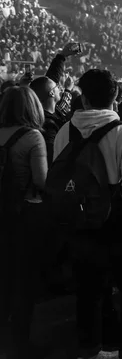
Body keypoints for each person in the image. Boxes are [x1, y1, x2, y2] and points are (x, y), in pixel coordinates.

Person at [53, 69, 122, 359]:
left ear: (82, 97)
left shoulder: (63, 132)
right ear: (116, 96)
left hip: (79, 222)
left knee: (87, 292)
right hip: (118, 223)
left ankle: (90, 351)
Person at [0, 86, 47, 359]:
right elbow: (41, 181)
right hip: (24, 217)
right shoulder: (33, 137)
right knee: (24, 283)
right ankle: (20, 344)